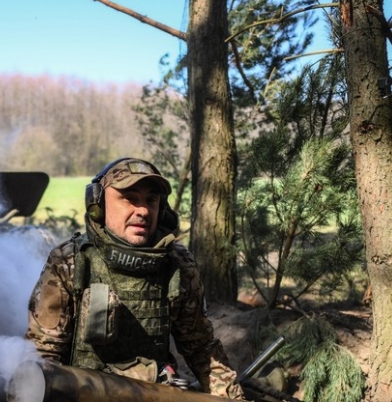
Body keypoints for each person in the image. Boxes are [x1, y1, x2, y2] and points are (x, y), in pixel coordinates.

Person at [25, 157, 245, 399]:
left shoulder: (177, 265)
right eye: (130, 198)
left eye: (151, 200)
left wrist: (234, 397)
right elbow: (43, 358)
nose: (142, 210)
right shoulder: (71, 263)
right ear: (98, 204)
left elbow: (202, 349)